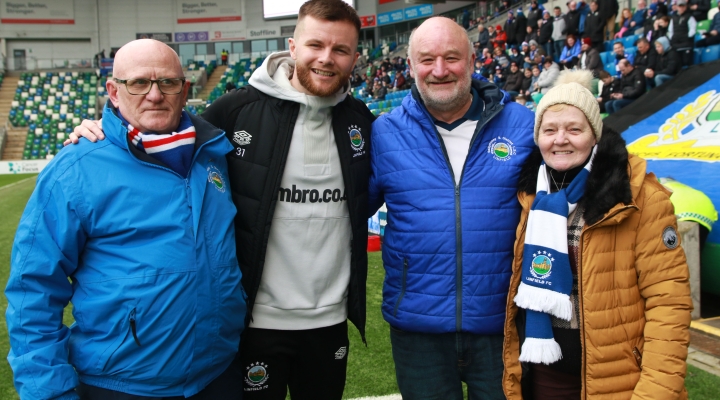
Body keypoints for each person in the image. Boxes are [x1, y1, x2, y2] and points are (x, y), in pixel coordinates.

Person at [68, 1, 374, 398]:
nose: (326, 59)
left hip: (330, 320)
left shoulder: (361, 120)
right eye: (315, 45)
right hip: (255, 323)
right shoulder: (234, 111)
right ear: (293, 46)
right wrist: (102, 128)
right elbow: (161, 129)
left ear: (355, 57)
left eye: (341, 50)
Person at [7, 39, 247, 400]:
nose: (154, 94)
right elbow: (34, 290)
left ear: (185, 91)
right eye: (138, 83)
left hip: (218, 376)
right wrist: (48, 392)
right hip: (122, 386)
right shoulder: (75, 170)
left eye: (167, 82)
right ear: (113, 92)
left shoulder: (214, 154)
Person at [369, 16, 536, 400]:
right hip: (418, 330)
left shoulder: (523, 125)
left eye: (451, 57)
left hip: (503, 325)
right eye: (427, 60)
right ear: (410, 67)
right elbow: (346, 209)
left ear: (473, 60)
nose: (440, 70)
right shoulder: (385, 132)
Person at [501, 69, 692, 399]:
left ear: (595, 134)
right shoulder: (528, 195)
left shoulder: (639, 197)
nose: (560, 139)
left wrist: (655, 391)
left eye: (574, 129)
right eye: (550, 130)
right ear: (538, 138)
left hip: (618, 380)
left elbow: (669, 305)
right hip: (543, 374)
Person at [668, 0, 697, 66]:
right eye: (680, 6)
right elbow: (670, 30)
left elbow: (692, 30)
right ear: (677, 7)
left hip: (686, 45)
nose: (681, 8)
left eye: (683, 6)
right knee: (677, 64)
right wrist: (673, 38)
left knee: (686, 63)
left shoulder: (690, 17)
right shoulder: (673, 18)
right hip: (676, 45)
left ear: (685, 7)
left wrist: (686, 37)